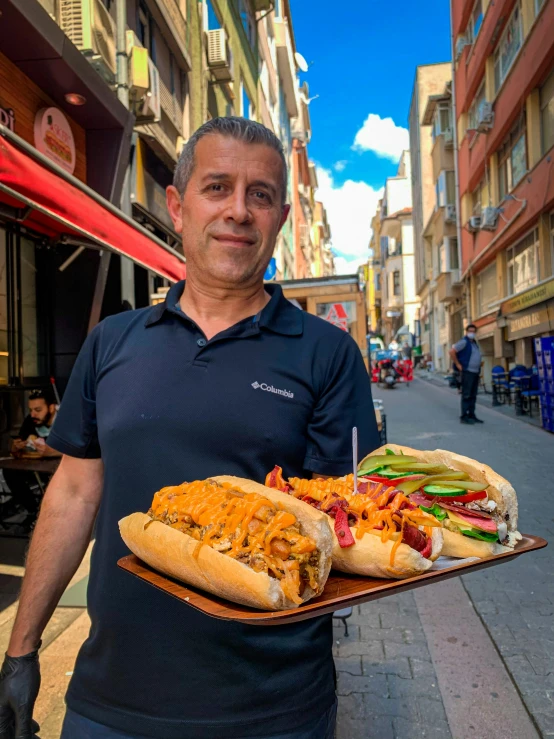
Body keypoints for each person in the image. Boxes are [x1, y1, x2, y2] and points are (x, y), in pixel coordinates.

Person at [0, 118, 380, 739]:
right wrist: (21, 651)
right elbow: (72, 496)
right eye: (217, 187)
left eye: (259, 194)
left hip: (272, 704)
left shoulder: (327, 354)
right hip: (110, 698)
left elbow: (345, 522)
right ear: (177, 206)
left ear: (280, 216)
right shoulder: (112, 342)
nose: (238, 210)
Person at [10, 390, 60, 459]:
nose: (32, 415)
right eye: (31, 410)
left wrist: (53, 452)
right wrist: (15, 448)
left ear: (51, 408)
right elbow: (19, 448)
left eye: (38, 410)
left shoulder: (67, 420)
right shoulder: (30, 420)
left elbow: (78, 452)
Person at [450, 324, 484, 424]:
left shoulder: (474, 343)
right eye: (470, 331)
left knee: (473, 395)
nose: (471, 333)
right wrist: (458, 364)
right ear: (467, 332)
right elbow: (452, 351)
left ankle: (471, 415)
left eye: (473, 331)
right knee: (467, 394)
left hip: (475, 372)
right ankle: (464, 416)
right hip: (467, 372)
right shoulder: (464, 342)